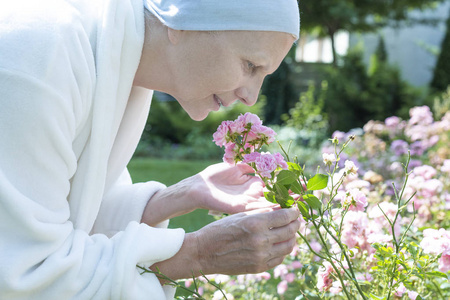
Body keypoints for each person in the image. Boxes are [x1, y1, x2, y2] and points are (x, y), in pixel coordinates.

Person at [0, 0, 301, 299]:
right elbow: (24, 271)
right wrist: (200, 254)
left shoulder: (118, 58)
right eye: (250, 65)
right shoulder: (43, 55)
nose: (251, 96)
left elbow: (78, 211)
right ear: (183, 21)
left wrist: (184, 194)